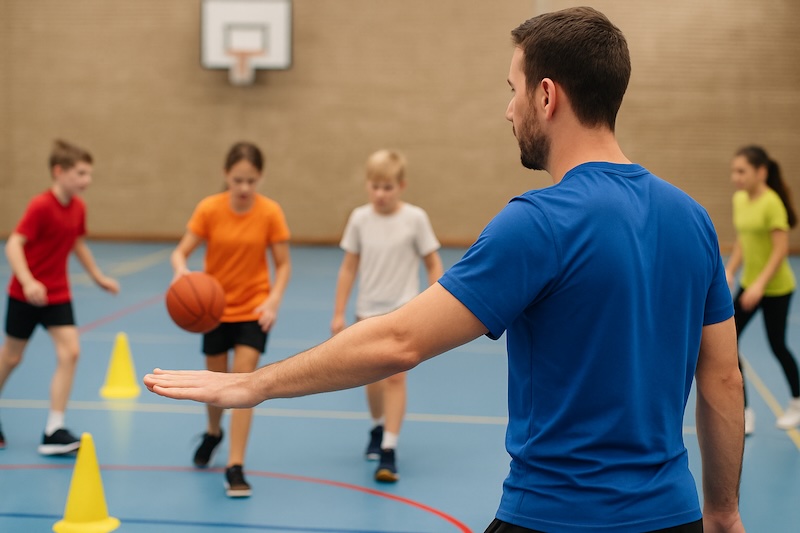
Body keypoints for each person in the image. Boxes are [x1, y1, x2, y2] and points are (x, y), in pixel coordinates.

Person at [146, 7, 745, 532]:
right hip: (674, 517)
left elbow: (400, 339)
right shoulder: (693, 219)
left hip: (557, 517)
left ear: (545, 95)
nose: (507, 110)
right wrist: (723, 514)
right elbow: (723, 382)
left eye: (511, 89)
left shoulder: (538, 222)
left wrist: (258, 382)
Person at [170, 141, 291, 498]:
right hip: (212, 310)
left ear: (260, 178)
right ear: (225, 175)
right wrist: (182, 273)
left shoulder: (270, 213)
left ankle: (235, 465)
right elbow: (181, 251)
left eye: (251, 181)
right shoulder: (209, 209)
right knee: (214, 383)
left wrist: (272, 301)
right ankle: (213, 432)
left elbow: (283, 264)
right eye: (238, 179)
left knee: (244, 387)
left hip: (253, 310)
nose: (243, 188)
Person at [0, 139, 120, 455]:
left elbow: (77, 243)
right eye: (81, 173)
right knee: (11, 358)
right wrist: (28, 282)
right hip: (25, 296)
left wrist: (98, 277)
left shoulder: (78, 207)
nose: (87, 181)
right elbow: (14, 244)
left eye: (88, 174)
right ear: (59, 172)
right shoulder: (40, 206)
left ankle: (54, 429)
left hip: (57, 295)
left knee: (71, 352)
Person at [330, 149, 443, 482]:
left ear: (401, 185)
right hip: (368, 312)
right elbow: (348, 267)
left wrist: (435, 302)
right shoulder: (359, 219)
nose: (381, 194)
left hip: (404, 313)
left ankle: (390, 449)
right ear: (368, 185)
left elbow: (433, 262)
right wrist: (339, 312)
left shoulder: (415, 219)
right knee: (371, 377)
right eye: (375, 186)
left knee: (395, 376)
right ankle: (377, 427)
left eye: (388, 187)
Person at [725, 145, 800, 434]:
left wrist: (759, 285)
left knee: (777, 346)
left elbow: (781, 250)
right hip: (749, 285)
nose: (736, 177)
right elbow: (744, 240)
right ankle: (744, 411)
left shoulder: (772, 203)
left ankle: (796, 402)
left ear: (761, 172)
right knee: (729, 343)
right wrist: (731, 270)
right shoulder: (740, 200)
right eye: (734, 171)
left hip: (776, 288)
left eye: (742, 171)